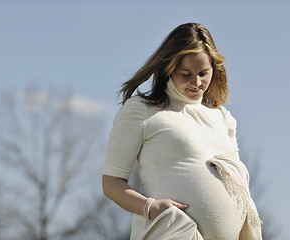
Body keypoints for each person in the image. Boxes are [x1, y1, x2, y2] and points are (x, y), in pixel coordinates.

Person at [102, 22, 262, 240]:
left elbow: (238, 187)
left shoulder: (223, 118)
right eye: (186, 74)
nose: (197, 82)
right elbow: (111, 183)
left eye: (203, 73)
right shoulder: (141, 110)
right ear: (168, 68)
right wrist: (151, 207)